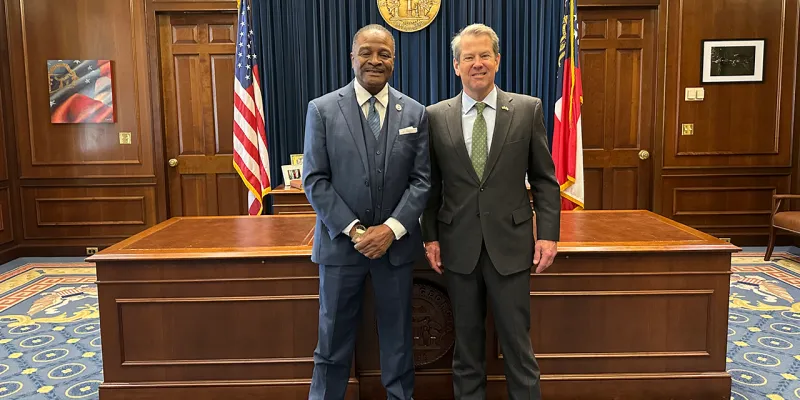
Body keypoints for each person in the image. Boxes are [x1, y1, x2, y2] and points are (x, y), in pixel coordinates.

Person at [420, 23, 560, 400]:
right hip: (458, 248)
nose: (477, 63)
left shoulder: (527, 109)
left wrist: (548, 235)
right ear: (456, 66)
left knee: (517, 346)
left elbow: (545, 180)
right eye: (469, 57)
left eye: (484, 55)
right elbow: (431, 186)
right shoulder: (435, 116)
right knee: (467, 347)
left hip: (511, 246)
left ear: (497, 60)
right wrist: (430, 237)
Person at [302, 23, 431, 400]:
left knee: (399, 340)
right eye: (366, 52)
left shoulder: (416, 113)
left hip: (396, 249)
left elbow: (422, 181)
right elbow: (315, 179)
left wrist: (390, 230)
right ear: (352, 58)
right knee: (332, 342)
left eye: (384, 54)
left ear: (394, 60)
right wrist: (357, 231)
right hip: (341, 248)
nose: (375, 60)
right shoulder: (322, 110)